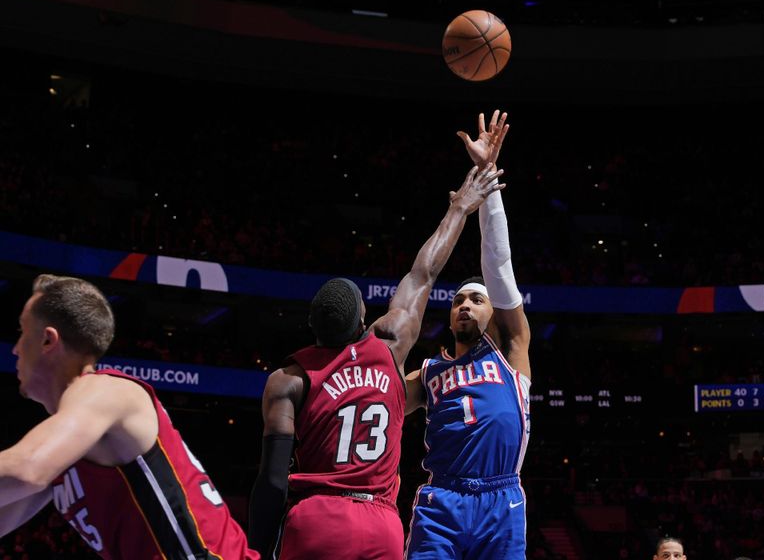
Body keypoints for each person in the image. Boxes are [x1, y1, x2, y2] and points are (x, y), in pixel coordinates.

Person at [247, 160, 505, 560]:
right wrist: (459, 208)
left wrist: (259, 549)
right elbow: (424, 273)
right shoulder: (388, 344)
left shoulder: (288, 380)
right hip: (380, 524)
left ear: (313, 327)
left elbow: (272, 481)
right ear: (363, 321)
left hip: (318, 517)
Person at [0, 274, 258, 559]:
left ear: (48, 339)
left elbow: (26, 469)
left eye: (22, 332)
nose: (15, 348)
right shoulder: (68, 446)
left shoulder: (107, 391)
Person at [405, 110, 531, 559]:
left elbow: (498, 267)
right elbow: (379, 401)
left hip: (502, 498)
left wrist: (486, 177)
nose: (465, 305)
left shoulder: (511, 353)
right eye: (459, 299)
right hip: (443, 500)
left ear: (493, 312)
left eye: (476, 300)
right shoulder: (430, 371)